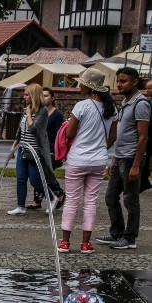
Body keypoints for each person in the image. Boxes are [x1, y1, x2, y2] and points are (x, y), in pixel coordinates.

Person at [59, 69, 116, 254]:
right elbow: (113, 137)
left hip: (77, 159)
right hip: (98, 160)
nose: (79, 86)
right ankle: (85, 244)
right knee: (90, 201)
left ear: (90, 87)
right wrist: (99, 147)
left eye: (81, 83)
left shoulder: (81, 106)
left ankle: (65, 242)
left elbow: (69, 133)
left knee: (71, 201)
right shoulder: (112, 108)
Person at [97, 67, 150, 251]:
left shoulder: (140, 104)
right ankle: (117, 233)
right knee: (111, 196)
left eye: (123, 81)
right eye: (118, 81)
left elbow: (143, 137)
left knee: (130, 199)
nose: (119, 84)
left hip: (131, 159)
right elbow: (120, 134)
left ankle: (130, 238)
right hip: (120, 157)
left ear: (135, 82)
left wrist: (136, 165)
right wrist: (112, 159)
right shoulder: (125, 102)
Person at [7, 84, 61, 216]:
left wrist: (29, 114)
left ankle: (52, 198)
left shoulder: (42, 112)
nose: (24, 97)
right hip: (23, 149)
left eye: (26, 94)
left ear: (33, 96)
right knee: (20, 179)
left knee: (35, 180)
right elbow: (21, 129)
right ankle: (20, 206)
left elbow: (33, 129)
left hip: (35, 152)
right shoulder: (28, 109)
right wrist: (14, 146)